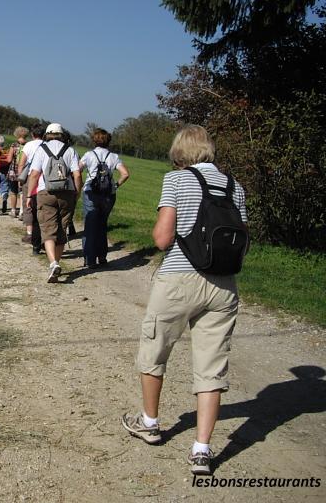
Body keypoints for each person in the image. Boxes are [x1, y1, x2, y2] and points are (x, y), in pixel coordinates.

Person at [121, 125, 248, 476]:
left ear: (180, 151)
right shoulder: (235, 186)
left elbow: (163, 239)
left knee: (155, 349)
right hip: (223, 285)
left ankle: (149, 422)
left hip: (179, 279)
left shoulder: (177, 180)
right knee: (211, 366)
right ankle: (202, 450)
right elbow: (243, 238)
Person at [25, 123, 81, 282]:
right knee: (62, 229)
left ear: (47, 134)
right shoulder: (70, 150)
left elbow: (34, 174)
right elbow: (77, 175)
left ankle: (53, 263)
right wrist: (76, 193)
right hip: (67, 193)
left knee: (48, 228)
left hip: (46, 192)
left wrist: (29, 196)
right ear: (62, 134)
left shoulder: (42, 149)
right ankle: (56, 262)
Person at [78, 128, 130, 267]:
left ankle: (89, 259)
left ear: (94, 140)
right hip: (108, 194)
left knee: (90, 226)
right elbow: (125, 174)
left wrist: (81, 184)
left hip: (91, 192)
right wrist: (115, 186)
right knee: (102, 224)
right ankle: (102, 257)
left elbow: (78, 170)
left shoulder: (89, 155)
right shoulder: (113, 157)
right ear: (108, 141)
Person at [18, 124, 45, 251]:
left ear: (32, 134)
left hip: (30, 177)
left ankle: (30, 233)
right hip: (43, 178)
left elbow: (21, 163)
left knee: (28, 204)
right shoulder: (46, 145)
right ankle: (42, 233)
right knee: (41, 205)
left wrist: (20, 178)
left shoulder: (28, 145)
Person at [7, 127, 29, 218]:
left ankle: (13, 210)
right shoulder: (28, 145)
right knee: (22, 192)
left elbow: (9, 160)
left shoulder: (14, 145)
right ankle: (21, 211)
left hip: (13, 171)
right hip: (24, 171)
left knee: (13, 192)